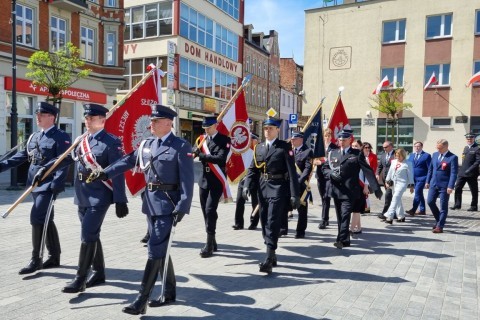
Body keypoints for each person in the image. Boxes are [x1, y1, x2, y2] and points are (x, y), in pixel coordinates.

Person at [89, 104, 194, 315]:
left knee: (155, 248)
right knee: (161, 248)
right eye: (151, 121)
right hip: (151, 203)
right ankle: (170, 291)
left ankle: (141, 299)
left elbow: (188, 180)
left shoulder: (181, 146)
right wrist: (105, 173)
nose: (151, 124)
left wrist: (183, 206)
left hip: (168, 205)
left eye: (155, 121)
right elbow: (128, 160)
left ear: (167, 123)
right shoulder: (147, 144)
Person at [49, 104, 129, 293]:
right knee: (92, 235)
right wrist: (46, 169)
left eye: (91, 118)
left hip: (99, 195)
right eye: (86, 118)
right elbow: (65, 159)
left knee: (87, 235)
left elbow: (118, 170)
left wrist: (120, 199)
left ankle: (80, 278)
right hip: (82, 194)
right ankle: (99, 272)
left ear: (102, 120)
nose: (87, 120)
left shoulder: (111, 142)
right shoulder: (81, 140)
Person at [0, 102, 70, 274]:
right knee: (46, 219)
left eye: (42, 114)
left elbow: (64, 162)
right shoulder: (34, 137)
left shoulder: (61, 137)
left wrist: (56, 185)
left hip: (48, 185)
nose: (38, 117)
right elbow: (22, 156)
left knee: (37, 218)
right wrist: (1, 166)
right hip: (33, 185)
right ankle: (54, 256)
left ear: (52, 117)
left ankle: (36, 259)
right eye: (37, 114)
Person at [243, 117, 299, 273]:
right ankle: (272, 253)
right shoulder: (259, 148)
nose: (267, 131)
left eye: (271, 129)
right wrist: (247, 185)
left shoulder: (284, 147)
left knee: (273, 220)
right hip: (262, 187)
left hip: (278, 187)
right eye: (266, 128)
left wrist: (294, 194)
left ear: (277, 130)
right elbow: (253, 169)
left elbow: (292, 172)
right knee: (264, 219)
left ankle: (268, 257)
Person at [322, 129, 382, 249]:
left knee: (345, 215)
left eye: (344, 140)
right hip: (336, 189)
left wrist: (375, 188)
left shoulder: (356, 153)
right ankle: (346, 240)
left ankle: (341, 239)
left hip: (350, 190)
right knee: (340, 216)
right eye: (340, 140)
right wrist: (330, 174)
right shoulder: (332, 152)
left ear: (350, 140)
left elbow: (367, 170)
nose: (342, 142)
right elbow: (325, 168)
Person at [192, 116, 231, 258]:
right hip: (203, 180)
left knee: (210, 209)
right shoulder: (202, 139)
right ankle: (212, 239)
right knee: (205, 211)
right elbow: (194, 150)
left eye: (209, 127)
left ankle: (208, 245)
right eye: (205, 128)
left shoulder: (224, 140)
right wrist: (192, 153)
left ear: (215, 125)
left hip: (216, 180)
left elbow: (220, 158)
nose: (206, 130)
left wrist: (201, 155)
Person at [426, 139, 458, 233]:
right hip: (433, 183)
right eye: (437, 147)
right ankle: (439, 220)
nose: (438, 150)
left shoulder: (452, 157)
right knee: (430, 201)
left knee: (443, 206)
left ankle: (440, 226)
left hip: (444, 185)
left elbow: (453, 173)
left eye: (440, 148)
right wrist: (427, 181)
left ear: (446, 147)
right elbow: (430, 169)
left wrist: (450, 186)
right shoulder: (435, 155)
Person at [232, 133, 260, 230]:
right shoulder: (244, 151)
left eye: (252, 140)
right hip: (243, 179)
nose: (251, 142)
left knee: (255, 203)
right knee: (239, 201)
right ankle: (238, 223)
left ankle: (254, 223)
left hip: (255, 180)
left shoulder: (259, 151)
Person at [289, 132, 313, 239]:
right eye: (292, 139)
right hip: (289, 184)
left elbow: (308, 168)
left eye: (294, 139)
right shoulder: (290, 151)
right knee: (285, 206)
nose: (292, 141)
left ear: (301, 139)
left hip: (301, 184)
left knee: (302, 209)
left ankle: (300, 231)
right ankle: (282, 229)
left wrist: (299, 181)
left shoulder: (307, 151)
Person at [314, 128, 338, 229]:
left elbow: (335, 161)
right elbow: (314, 158)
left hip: (328, 175)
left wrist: (322, 162)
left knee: (326, 196)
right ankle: (326, 218)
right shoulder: (319, 146)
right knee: (323, 197)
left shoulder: (334, 148)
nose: (327, 137)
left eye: (329, 135)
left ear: (331, 136)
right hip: (320, 175)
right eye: (325, 135)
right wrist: (315, 161)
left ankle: (324, 220)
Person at [450, 132, 480, 212]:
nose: (469, 140)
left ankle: (474, 206)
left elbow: (478, 161)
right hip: (462, 173)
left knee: (473, 190)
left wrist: (470, 169)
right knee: (458, 188)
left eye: (470, 138)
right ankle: (457, 204)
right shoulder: (466, 148)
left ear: (474, 139)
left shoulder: (477, 148)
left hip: (472, 173)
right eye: (467, 138)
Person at [383, 148, 414, 224]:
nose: (398, 158)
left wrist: (411, 185)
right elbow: (390, 171)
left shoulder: (408, 163)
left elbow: (410, 175)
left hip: (402, 183)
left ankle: (389, 216)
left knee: (395, 198)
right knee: (397, 200)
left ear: (403, 156)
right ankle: (401, 216)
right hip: (393, 183)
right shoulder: (393, 162)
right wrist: (387, 181)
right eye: (396, 156)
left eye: (399, 156)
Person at [349, 139, 369, 234]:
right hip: (351, 186)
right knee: (354, 209)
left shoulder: (363, 158)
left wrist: (366, 186)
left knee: (356, 209)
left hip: (360, 186)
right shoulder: (350, 157)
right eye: (352, 146)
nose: (354, 147)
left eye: (356, 146)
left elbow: (368, 174)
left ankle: (352, 229)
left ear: (361, 147)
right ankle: (359, 227)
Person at [406, 142, 431, 216]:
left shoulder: (426, 156)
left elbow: (430, 168)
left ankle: (413, 210)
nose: (416, 147)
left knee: (417, 193)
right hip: (413, 178)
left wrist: (428, 180)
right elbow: (408, 166)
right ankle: (422, 210)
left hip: (422, 177)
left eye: (418, 146)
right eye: (415, 146)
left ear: (422, 147)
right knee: (420, 193)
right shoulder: (411, 155)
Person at [376, 141, 395, 219]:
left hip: (392, 179)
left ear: (391, 146)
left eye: (386, 147)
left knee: (388, 196)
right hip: (385, 178)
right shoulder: (383, 155)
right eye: (383, 147)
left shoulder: (396, 154)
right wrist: (377, 174)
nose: (384, 149)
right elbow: (380, 166)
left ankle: (385, 213)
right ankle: (394, 213)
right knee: (391, 196)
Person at [362, 142, 378, 213]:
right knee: (362, 192)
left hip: (369, 175)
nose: (367, 149)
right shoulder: (361, 155)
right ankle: (364, 207)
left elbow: (375, 166)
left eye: (369, 147)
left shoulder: (373, 156)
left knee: (366, 192)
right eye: (366, 147)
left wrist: (375, 175)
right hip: (361, 175)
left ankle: (367, 207)